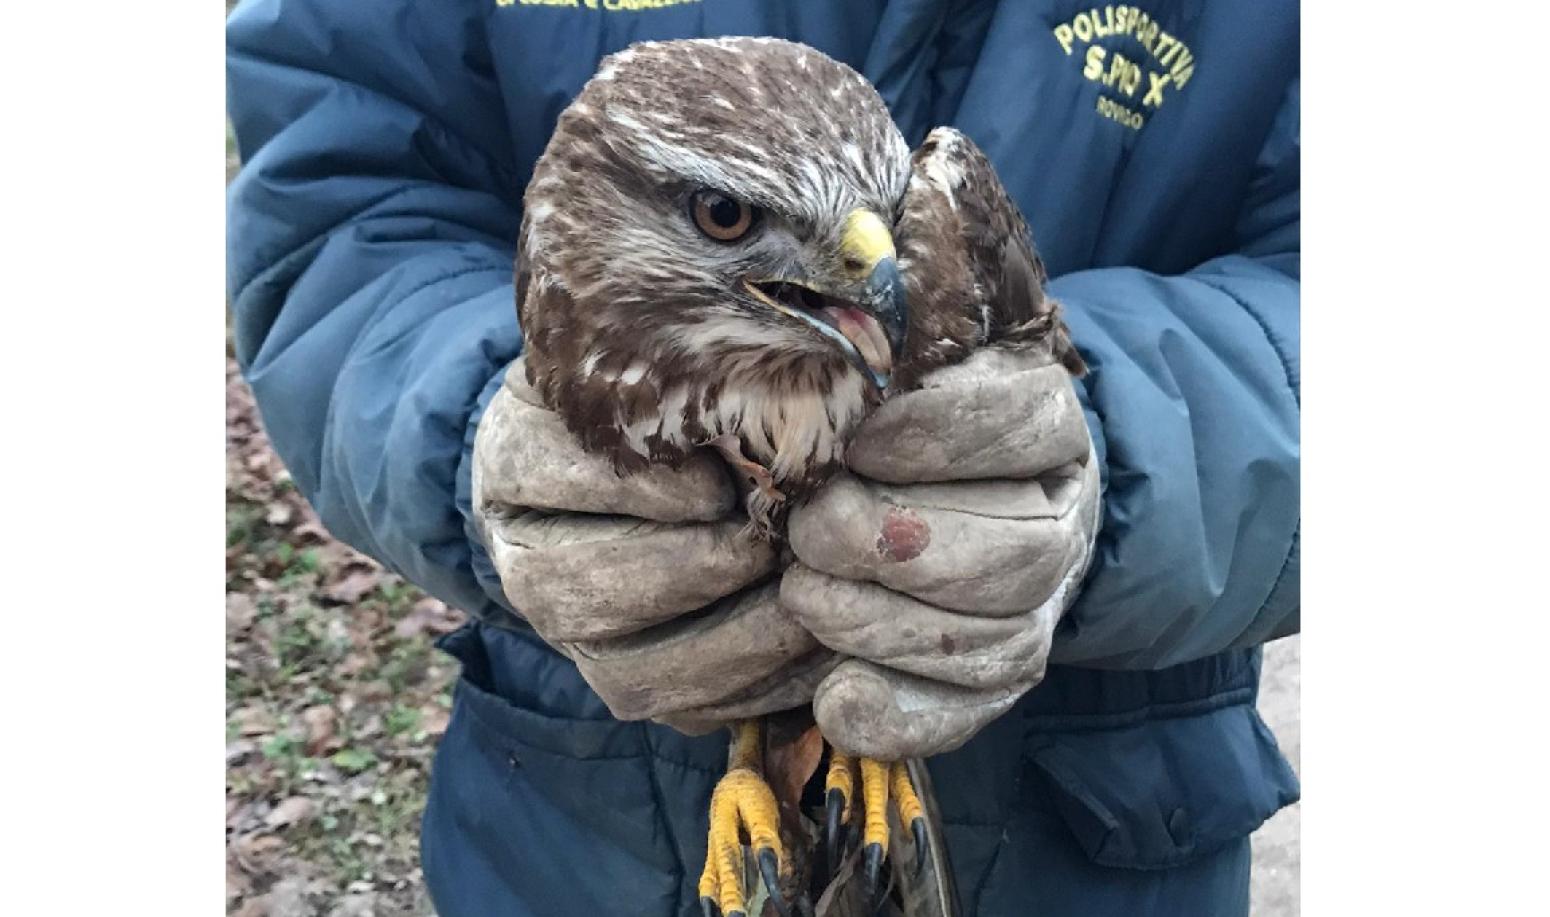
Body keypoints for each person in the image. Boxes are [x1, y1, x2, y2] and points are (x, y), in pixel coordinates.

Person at [226, 2, 1299, 915]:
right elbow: (341, 204)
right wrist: (477, 430)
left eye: (882, 231)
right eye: (729, 215)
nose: (875, 270)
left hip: (1098, 822)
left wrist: (1098, 467)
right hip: (575, 801)